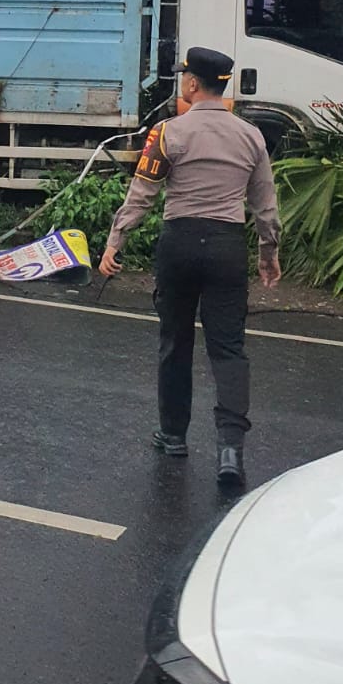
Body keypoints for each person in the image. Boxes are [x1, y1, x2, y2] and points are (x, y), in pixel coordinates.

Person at [99, 46, 281, 488]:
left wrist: (115, 241)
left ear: (194, 84)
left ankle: (173, 435)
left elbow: (141, 194)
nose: (183, 83)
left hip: (178, 244)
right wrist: (267, 253)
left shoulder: (166, 132)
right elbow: (264, 205)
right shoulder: (251, 136)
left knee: (175, 341)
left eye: (184, 78)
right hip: (225, 246)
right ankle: (230, 451)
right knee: (228, 349)